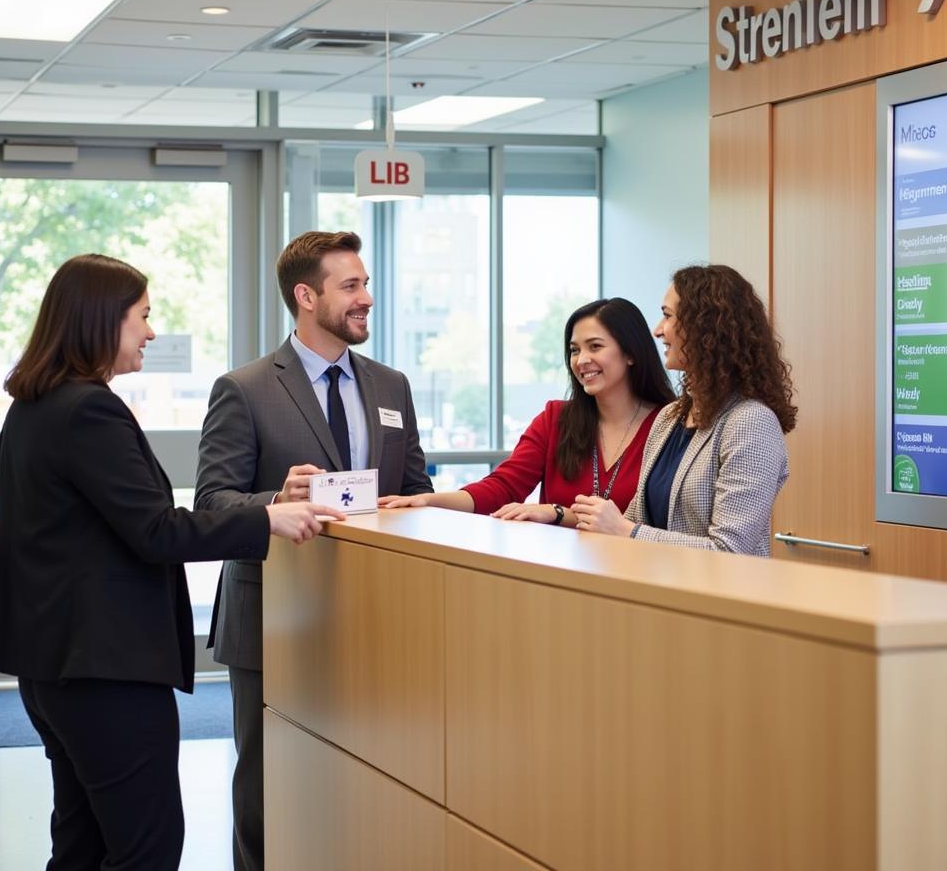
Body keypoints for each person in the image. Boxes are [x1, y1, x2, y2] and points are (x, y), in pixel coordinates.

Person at [0, 254, 338, 871]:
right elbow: (156, 531)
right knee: (146, 848)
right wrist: (266, 517)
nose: (152, 332)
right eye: (143, 316)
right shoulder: (90, 410)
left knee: (81, 843)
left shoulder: (33, 406)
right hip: (103, 669)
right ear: (101, 321)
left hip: (52, 667)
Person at [194, 229, 433, 871]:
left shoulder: (391, 386)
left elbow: (415, 491)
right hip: (272, 615)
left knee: (359, 774)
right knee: (268, 784)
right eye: (350, 287)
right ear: (306, 296)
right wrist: (277, 497)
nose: (367, 299)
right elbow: (211, 503)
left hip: (371, 617)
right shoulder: (244, 388)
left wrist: (412, 507)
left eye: (365, 284)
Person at [381, 297, 675, 526]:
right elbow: (503, 487)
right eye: (574, 350)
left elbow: (657, 522)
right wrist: (428, 501)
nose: (582, 360)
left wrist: (557, 513)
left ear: (631, 353)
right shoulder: (556, 419)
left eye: (595, 346)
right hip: (556, 578)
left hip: (637, 580)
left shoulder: (671, 426)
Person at [572, 264, 796, 554]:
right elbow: (635, 519)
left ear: (706, 326)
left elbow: (730, 550)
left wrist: (628, 531)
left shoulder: (751, 421)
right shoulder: (669, 417)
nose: (657, 330)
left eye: (667, 316)